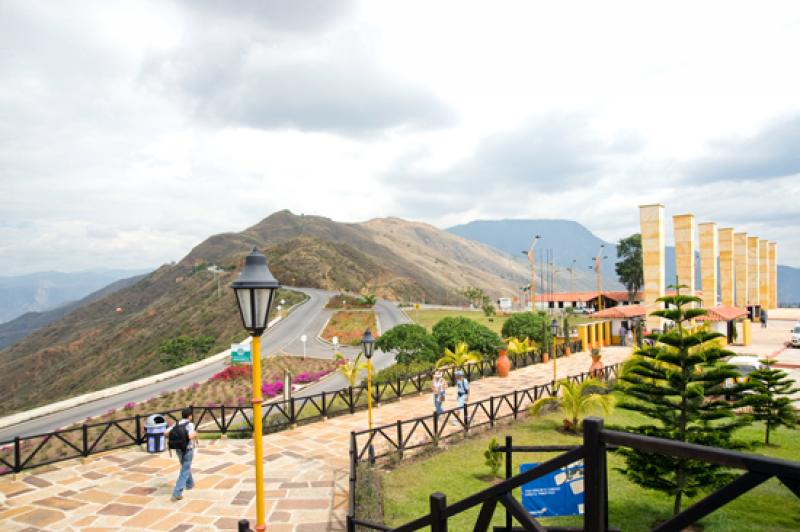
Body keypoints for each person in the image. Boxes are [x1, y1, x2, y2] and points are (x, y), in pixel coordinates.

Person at [167, 408, 197, 501]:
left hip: (178, 449)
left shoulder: (176, 424)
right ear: (190, 416)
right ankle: (177, 492)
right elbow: (190, 436)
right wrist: (195, 433)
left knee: (185, 467)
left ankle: (190, 484)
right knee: (185, 469)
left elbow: (165, 433)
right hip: (188, 449)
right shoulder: (190, 424)